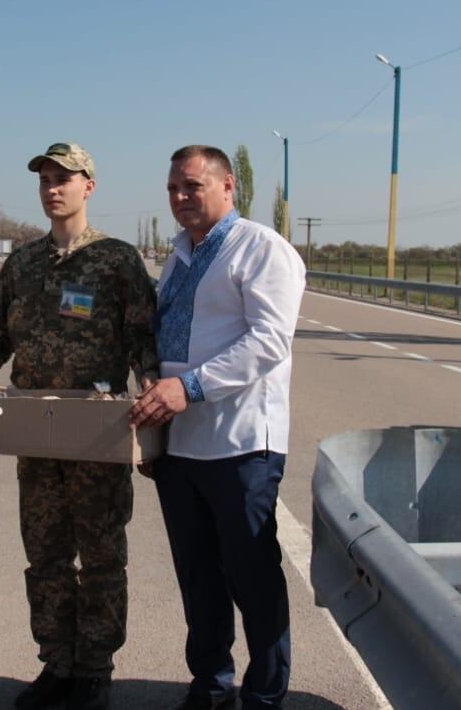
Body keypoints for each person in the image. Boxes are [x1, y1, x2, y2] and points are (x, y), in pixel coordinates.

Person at [0, 142, 159, 710]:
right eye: (45, 180)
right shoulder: (23, 264)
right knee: (45, 555)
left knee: (102, 556)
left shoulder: (116, 260)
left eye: (64, 178)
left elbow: (142, 336)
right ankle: (56, 663)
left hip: (96, 433)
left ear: (89, 186)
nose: (53, 188)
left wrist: (152, 390)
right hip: (34, 432)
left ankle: (95, 671)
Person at [130, 145, 306, 710]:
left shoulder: (261, 249)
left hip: (241, 444)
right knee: (198, 578)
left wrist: (190, 387)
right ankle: (210, 686)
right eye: (173, 189)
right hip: (181, 448)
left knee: (252, 578)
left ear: (229, 185)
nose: (180, 197)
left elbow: (270, 340)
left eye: (192, 186)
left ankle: (265, 694)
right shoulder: (178, 256)